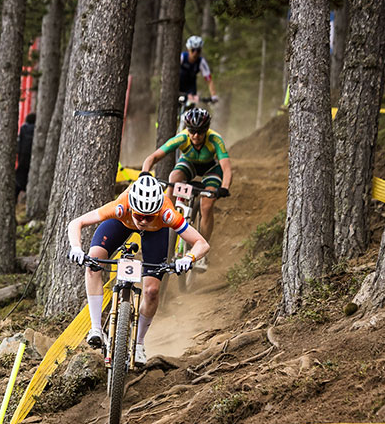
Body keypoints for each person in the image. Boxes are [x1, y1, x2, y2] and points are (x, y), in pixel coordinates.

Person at [66, 173, 209, 367]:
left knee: (151, 291)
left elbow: (201, 243)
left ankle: (139, 343)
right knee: (93, 263)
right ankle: (96, 329)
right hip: (121, 223)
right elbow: (76, 223)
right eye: (139, 215)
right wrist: (76, 248)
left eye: (148, 216)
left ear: (157, 211)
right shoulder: (121, 207)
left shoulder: (167, 213)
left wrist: (188, 258)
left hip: (155, 233)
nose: (142, 220)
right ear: (131, 207)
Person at [141, 107, 232, 249]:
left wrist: (224, 188)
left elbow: (226, 168)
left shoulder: (215, 139)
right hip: (189, 164)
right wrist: (144, 173)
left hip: (211, 169)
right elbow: (154, 157)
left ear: (207, 130)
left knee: (206, 206)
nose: (196, 135)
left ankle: (203, 246)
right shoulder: (182, 137)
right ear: (187, 129)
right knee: (173, 179)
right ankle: (166, 216)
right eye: (192, 131)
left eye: (200, 132)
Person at [179, 35, 217, 103]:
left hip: (191, 89)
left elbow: (209, 80)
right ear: (188, 49)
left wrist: (213, 95)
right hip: (177, 86)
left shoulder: (201, 62)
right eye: (193, 50)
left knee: (191, 107)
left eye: (198, 51)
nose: (195, 53)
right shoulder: (182, 57)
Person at [15, 112, 36, 202]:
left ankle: (15, 197)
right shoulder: (36, 129)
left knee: (20, 177)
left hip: (23, 157)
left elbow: (19, 143)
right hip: (32, 156)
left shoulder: (23, 128)